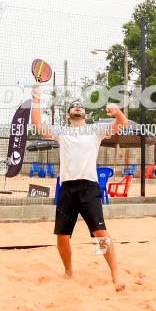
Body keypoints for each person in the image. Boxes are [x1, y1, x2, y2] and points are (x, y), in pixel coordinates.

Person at [31, 87, 127, 291]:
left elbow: (121, 124)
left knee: (101, 232)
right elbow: (37, 125)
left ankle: (115, 275)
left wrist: (117, 112)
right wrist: (36, 99)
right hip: (67, 188)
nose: (77, 107)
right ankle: (68, 271)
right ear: (68, 115)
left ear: (85, 114)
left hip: (89, 188)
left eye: (80, 106)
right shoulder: (62, 132)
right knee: (62, 236)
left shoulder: (95, 131)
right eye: (73, 107)